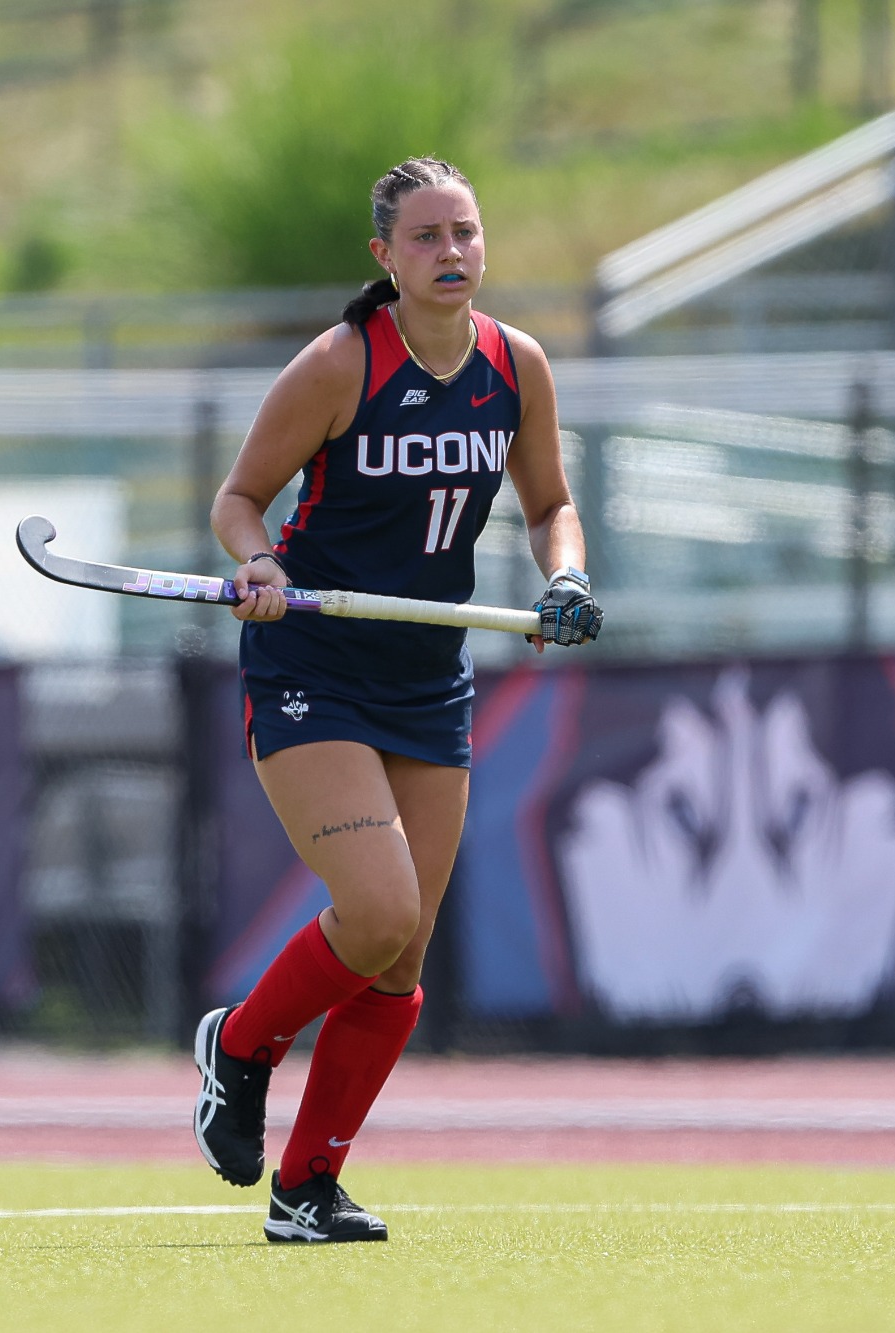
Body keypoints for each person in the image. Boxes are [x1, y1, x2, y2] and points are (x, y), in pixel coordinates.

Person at [193, 157, 602, 1243]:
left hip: (427, 677)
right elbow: (240, 499)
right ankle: (238, 1046)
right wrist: (260, 565)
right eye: (425, 237)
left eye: (464, 232)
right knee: (375, 912)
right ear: (383, 257)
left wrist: (564, 576)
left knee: (403, 952)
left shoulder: (515, 365)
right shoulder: (338, 365)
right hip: (314, 670)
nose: (451, 253)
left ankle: (306, 1188)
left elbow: (550, 503)